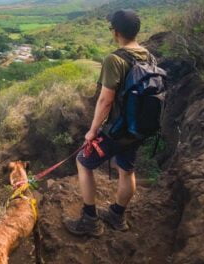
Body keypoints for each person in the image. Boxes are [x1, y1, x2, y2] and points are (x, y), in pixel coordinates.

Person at [64, 9, 152, 237]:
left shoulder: (115, 59)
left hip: (118, 129)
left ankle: (90, 220)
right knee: (127, 170)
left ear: (116, 31)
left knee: (83, 161)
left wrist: (92, 132)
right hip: (138, 128)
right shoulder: (148, 56)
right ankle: (116, 215)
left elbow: (105, 101)